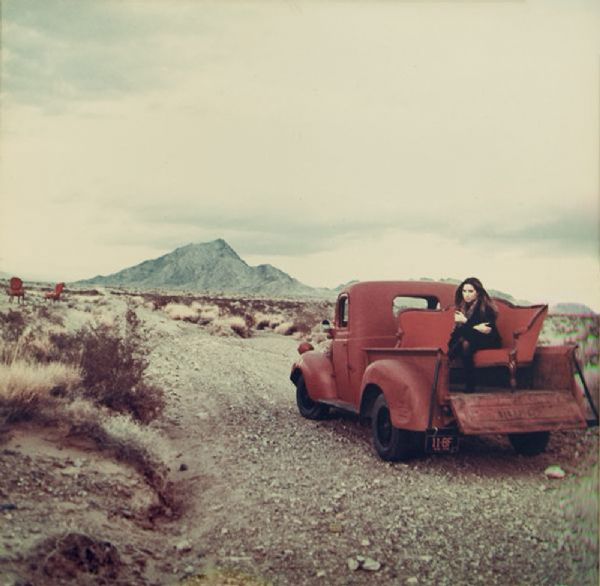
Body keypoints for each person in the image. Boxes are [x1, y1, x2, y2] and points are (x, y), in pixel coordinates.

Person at [448, 277, 501, 392]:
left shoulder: (486, 308)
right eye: (464, 291)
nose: (466, 295)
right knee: (465, 341)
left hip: (488, 340)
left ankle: (448, 362)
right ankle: (448, 361)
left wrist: (466, 322)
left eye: (470, 291)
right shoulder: (462, 307)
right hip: (470, 337)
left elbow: (487, 330)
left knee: (465, 341)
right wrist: (474, 326)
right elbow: (463, 331)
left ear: (478, 293)